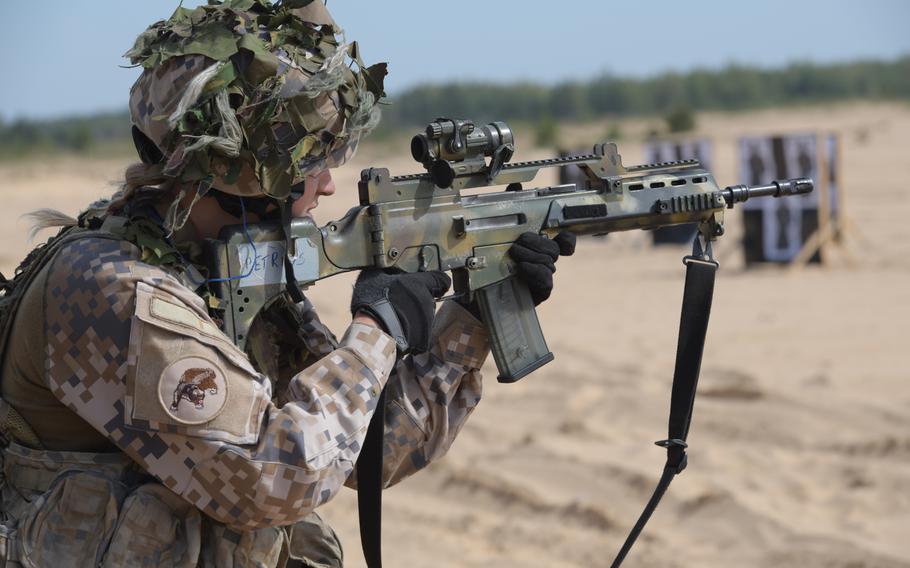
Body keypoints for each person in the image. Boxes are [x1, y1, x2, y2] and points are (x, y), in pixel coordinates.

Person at [0, 2, 573, 567]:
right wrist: (377, 330)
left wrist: (470, 317)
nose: (326, 186)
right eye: (312, 161)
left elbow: (367, 450)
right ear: (243, 171)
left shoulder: (215, 268)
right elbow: (273, 478)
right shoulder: (110, 289)